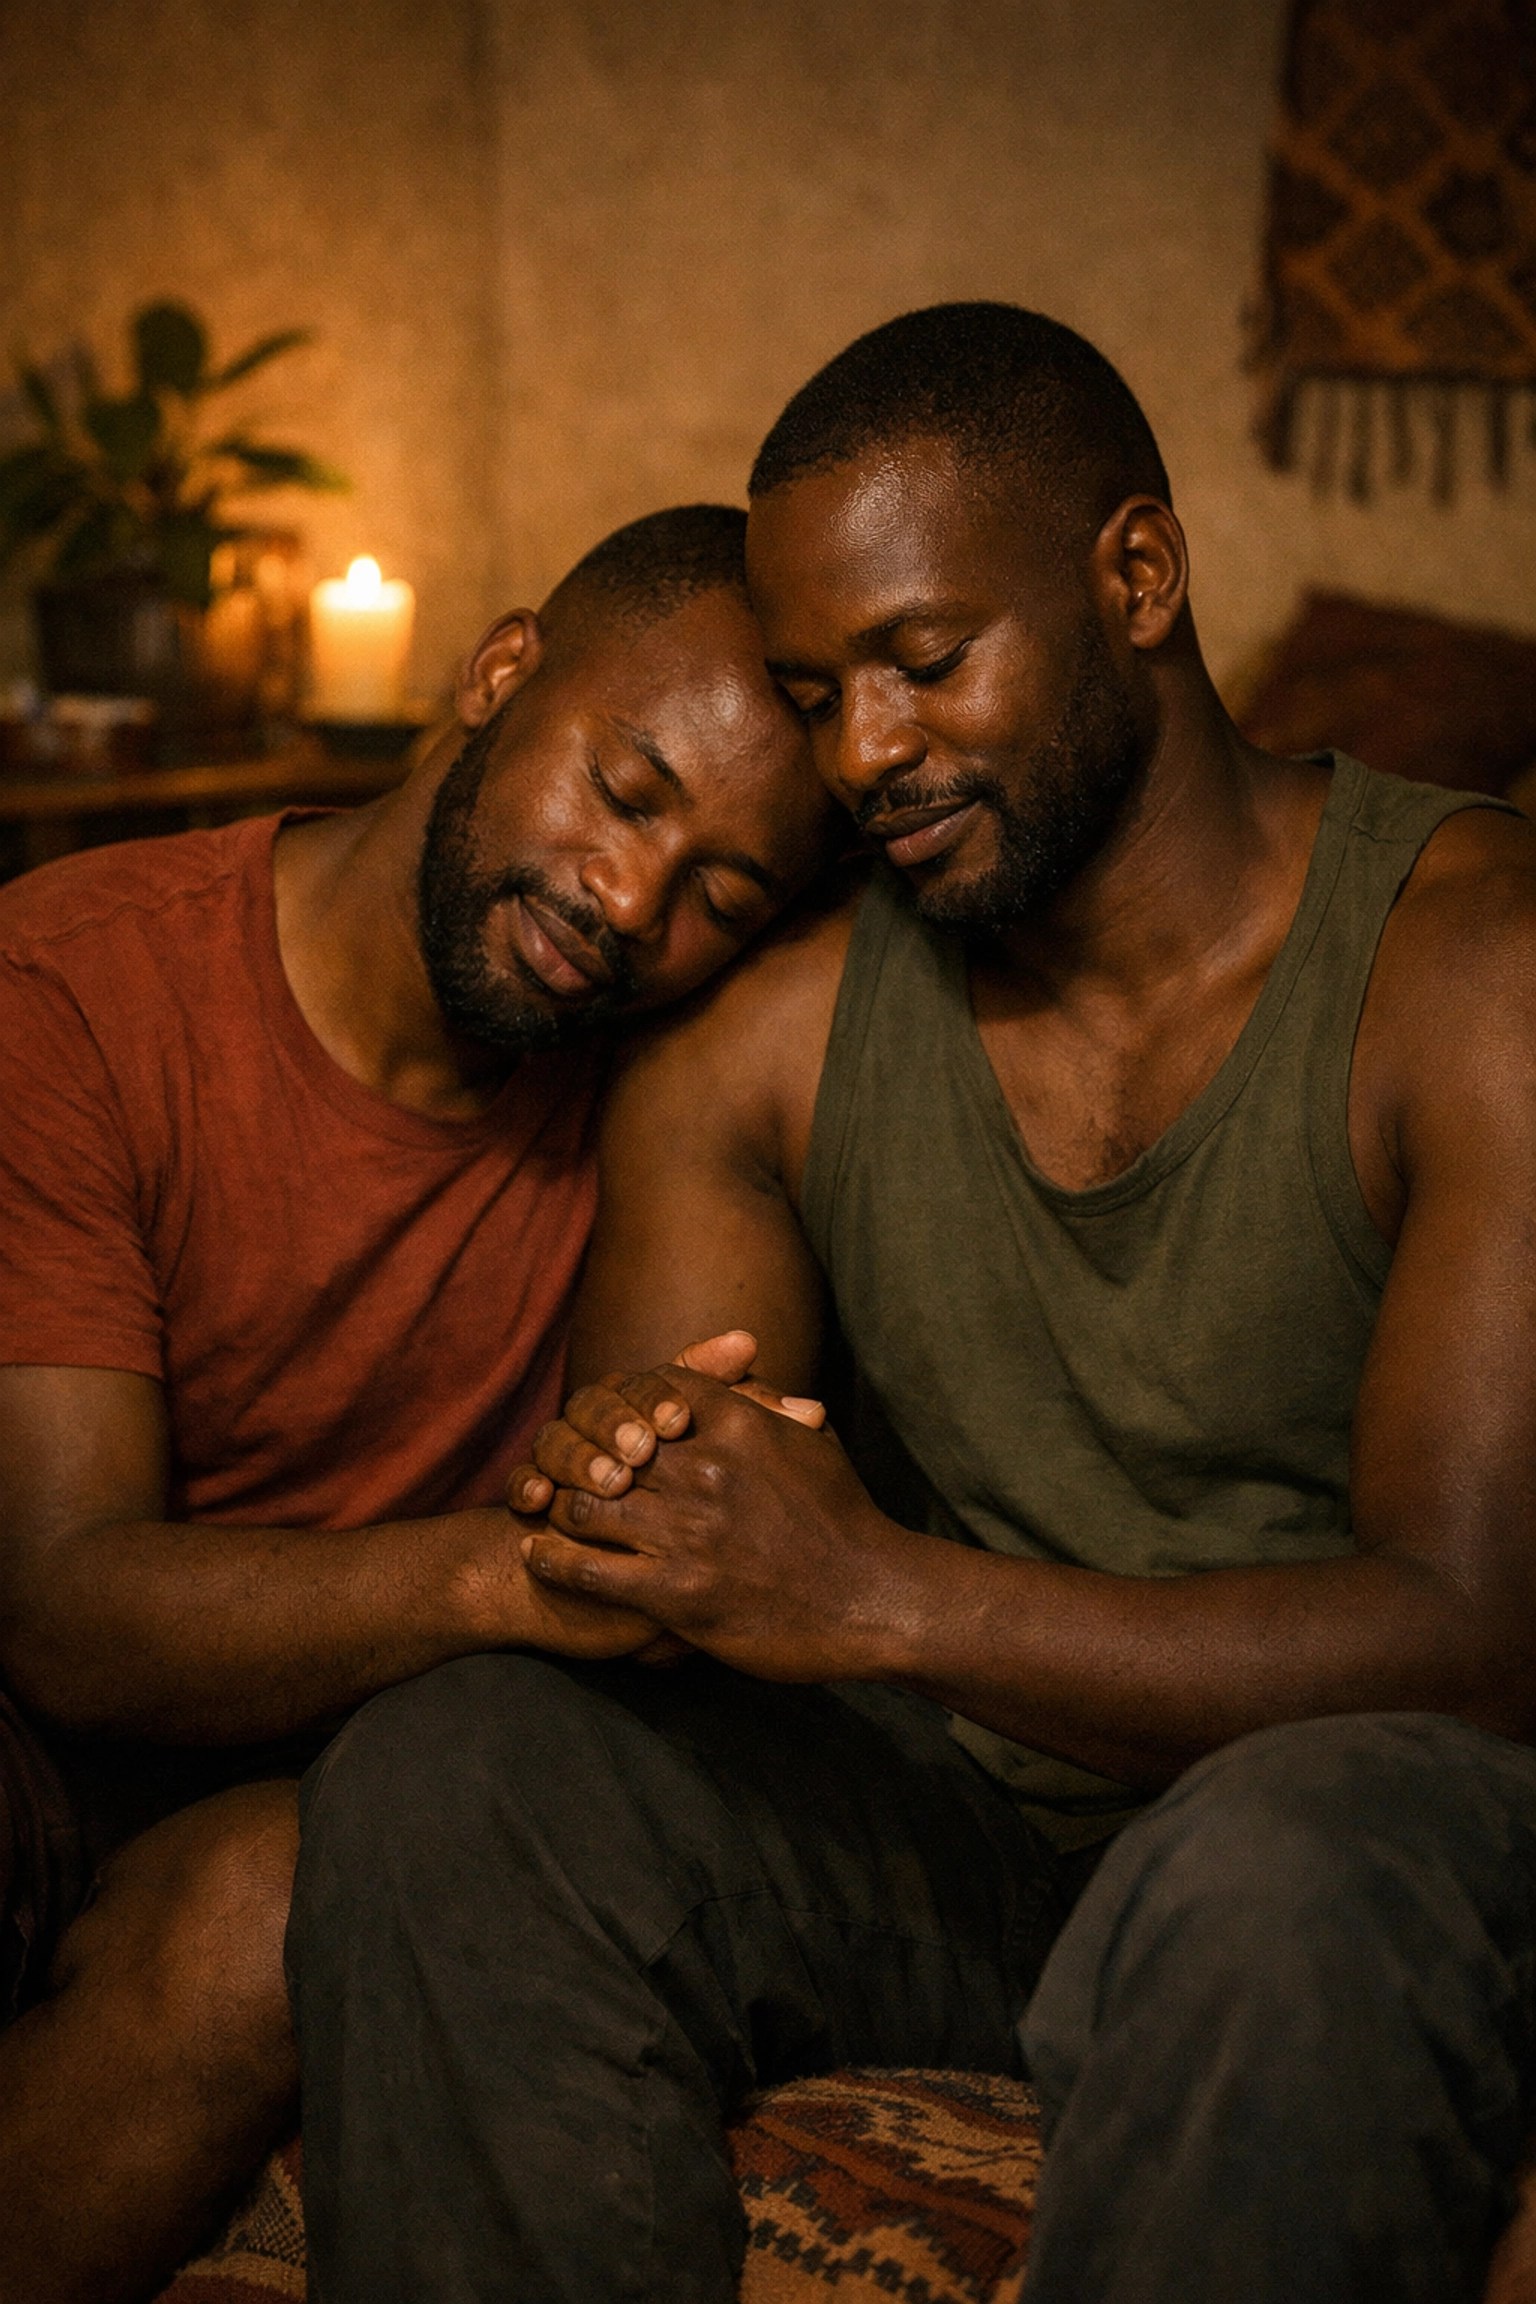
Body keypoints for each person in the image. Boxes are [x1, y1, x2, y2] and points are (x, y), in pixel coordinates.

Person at [288, 305, 1536, 2304]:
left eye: (926, 663)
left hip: (1362, 1831)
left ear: (1139, 575)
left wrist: (879, 1596)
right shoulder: (764, 1039)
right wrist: (643, 1483)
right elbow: (671, 1499)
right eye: (816, 692)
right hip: (966, 1842)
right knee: (460, 1770)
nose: (864, 754)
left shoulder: (1472, 971)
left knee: (1280, 1867)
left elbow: (1475, 1646)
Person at [0, 502, 836, 2304]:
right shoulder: (74, 981)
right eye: (622, 791)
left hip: (316, 1775)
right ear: (501, 668)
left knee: (271, 1909)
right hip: (40, 1719)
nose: (630, 905)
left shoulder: (673, 1089)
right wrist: (508, 1574)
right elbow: (63, 1609)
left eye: (721, 892)